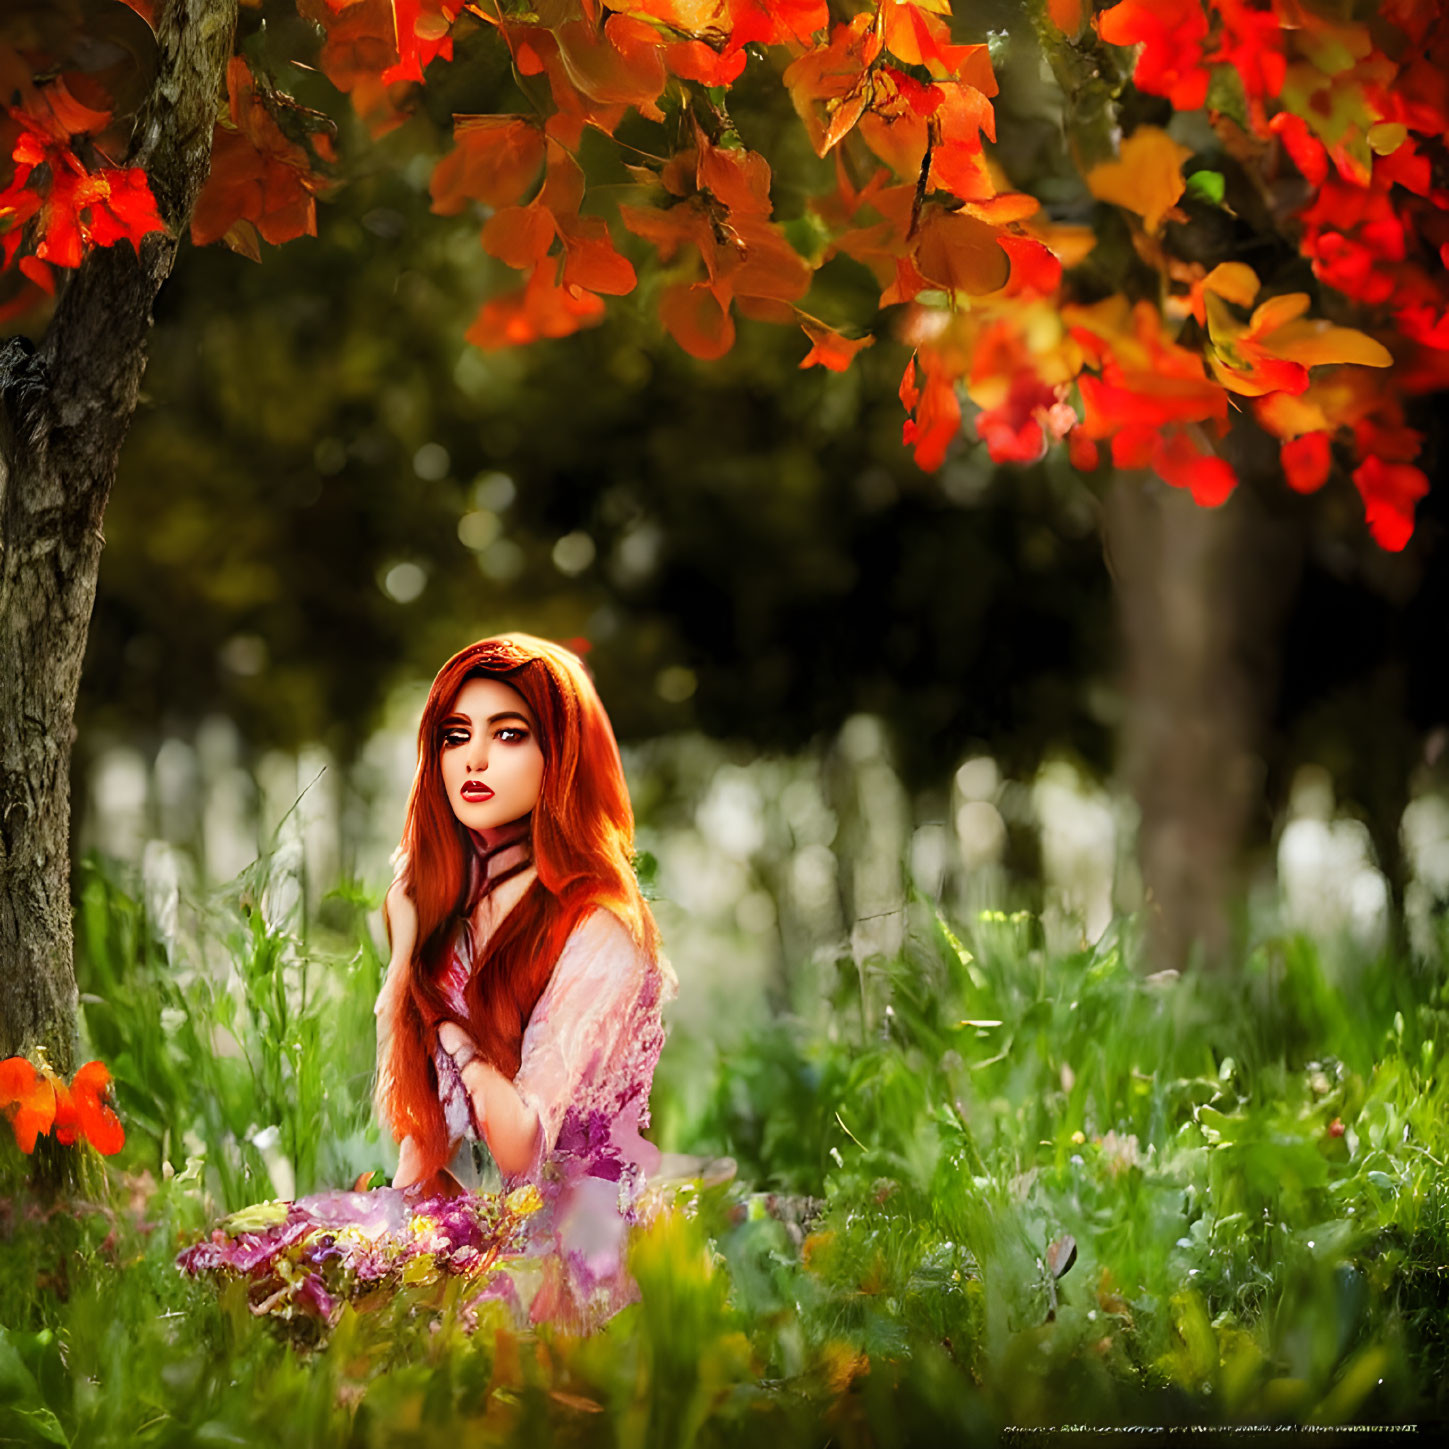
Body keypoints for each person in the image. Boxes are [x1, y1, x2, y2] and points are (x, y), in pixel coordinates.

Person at [179, 634, 679, 1334]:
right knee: (250, 1254)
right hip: (465, 1225)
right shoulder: (454, 917)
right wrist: (407, 957)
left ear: (561, 756)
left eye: (507, 735)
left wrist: (448, 1026)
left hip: (571, 1242)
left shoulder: (599, 928)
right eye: (455, 735)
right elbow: (418, 1134)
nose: (472, 758)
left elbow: (522, 1150)